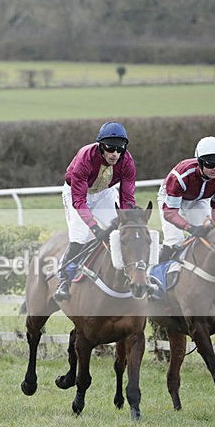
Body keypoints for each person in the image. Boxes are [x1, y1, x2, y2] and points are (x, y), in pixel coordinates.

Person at [54, 121, 137, 301]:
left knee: (121, 230)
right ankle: (64, 279)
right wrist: (94, 227)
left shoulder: (127, 161)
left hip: (104, 193)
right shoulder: (85, 157)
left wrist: (128, 218)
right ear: (100, 147)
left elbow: (127, 199)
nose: (115, 154)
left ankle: (131, 274)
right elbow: (79, 201)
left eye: (120, 149)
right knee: (80, 236)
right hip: (76, 193)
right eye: (110, 148)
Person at [157, 136, 215, 262]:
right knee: (175, 241)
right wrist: (190, 228)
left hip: (198, 200)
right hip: (170, 200)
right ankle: (154, 269)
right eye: (211, 164)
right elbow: (170, 213)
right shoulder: (180, 176)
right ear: (199, 162)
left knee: (209, 237)